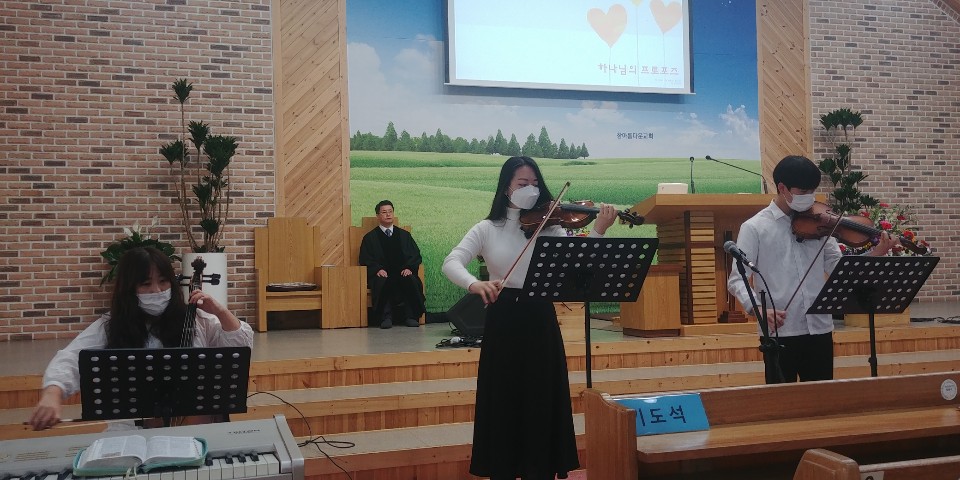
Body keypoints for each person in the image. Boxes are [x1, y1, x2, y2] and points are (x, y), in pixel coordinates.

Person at [442, 156, 617, 480]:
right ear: (506, 188)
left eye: (535, 183)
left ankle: (540, 469)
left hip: (540, 316)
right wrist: (474, 283)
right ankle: (503, 469)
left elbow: (579, 268)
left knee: (541, 396)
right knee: (504, 397)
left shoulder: (551, 225)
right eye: (523, 183)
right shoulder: (487, 228)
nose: (531, 189)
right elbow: (451, 261)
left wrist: (599, 230)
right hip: (504, 318)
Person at [29, 246, 254, 430]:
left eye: (163, 281)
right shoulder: (112, 324)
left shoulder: (197, 319)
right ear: (129, 289)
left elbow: (239, 346)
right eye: (146, 284)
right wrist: (52, 393)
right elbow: (71, 357)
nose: (157, 290)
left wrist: (221, 312)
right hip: (133, 429)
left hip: (195, 428)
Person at [726, 155, 895, 383]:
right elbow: (737, 279)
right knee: (783, 400)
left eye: (812, 191)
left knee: (822, 399)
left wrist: (876, 253)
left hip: (819, 328)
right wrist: (757, 309)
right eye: (803, 191)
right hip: (780, 331)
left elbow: (839, 268)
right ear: (782, 188)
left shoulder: (821, 223)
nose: (809, 197)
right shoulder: (755, 228)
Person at [358, 200, 426, 329]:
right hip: (382, 273)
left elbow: (415, 255)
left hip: (403, 272)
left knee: (410, 279)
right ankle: (386, 317)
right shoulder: (370, 238)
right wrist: (377, 269)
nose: (388, 214)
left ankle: (411, 316)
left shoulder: (404, 235)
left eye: (390, 211)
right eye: (384, 212)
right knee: (382, 281)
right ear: (378, 216)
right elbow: (365, 258)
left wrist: (409, 268)